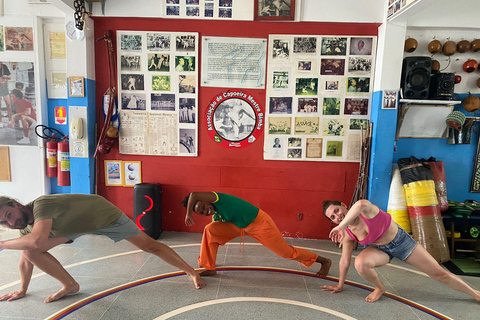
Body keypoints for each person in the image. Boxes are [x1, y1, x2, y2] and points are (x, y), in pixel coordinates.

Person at [0, 194, 205, 303]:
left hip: (103, 216)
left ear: (16, 204)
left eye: (8, 215)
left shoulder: (41, 205)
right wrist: (22, 289)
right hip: (74, 227)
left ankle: (191, 272)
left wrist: (1, 244)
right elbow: (26, 257)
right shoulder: (25, 226)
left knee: (149, 246)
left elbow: (37, 240)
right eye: (4, 223)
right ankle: (70, 285)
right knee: (29, 251)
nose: (10, 224)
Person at [321, 199, 480, 303]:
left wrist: (341, 226)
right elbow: (344, 261)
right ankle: (380, 287)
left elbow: (361, 204)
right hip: (381, 250)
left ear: (343, 205)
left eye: (336, 210)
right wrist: (340, 285)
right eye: (333, 218)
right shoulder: (348, 233)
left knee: (439, 273)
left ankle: (475, 294)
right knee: (360, 263)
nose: (337, 216)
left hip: (403, 243)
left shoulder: (365, 210)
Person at [182, 192, 332, 277]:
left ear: (205, 200)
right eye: (201, 212)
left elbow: (194, 194)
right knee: (210, 230)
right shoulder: (216, 213)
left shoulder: (217, 198)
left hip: (259, 223)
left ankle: (323, 261)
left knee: (285, 252)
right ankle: (209, 267)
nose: (205, 210)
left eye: (203, 206)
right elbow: (218, 224)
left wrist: (189, 214)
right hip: (238, 225)